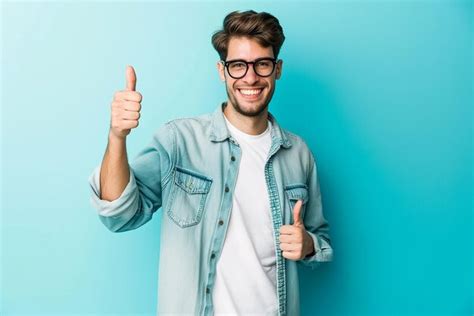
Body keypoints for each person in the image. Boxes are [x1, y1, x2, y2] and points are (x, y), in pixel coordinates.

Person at [88, 10, 333, 316]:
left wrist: (307, 244)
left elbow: (319, 238)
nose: (251, 77)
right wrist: (116, 137)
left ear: (277, 69)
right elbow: (118, 214)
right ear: (222, 70)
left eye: (262, 64)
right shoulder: (179, 141)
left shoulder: (298, 153)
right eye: (238, 65)